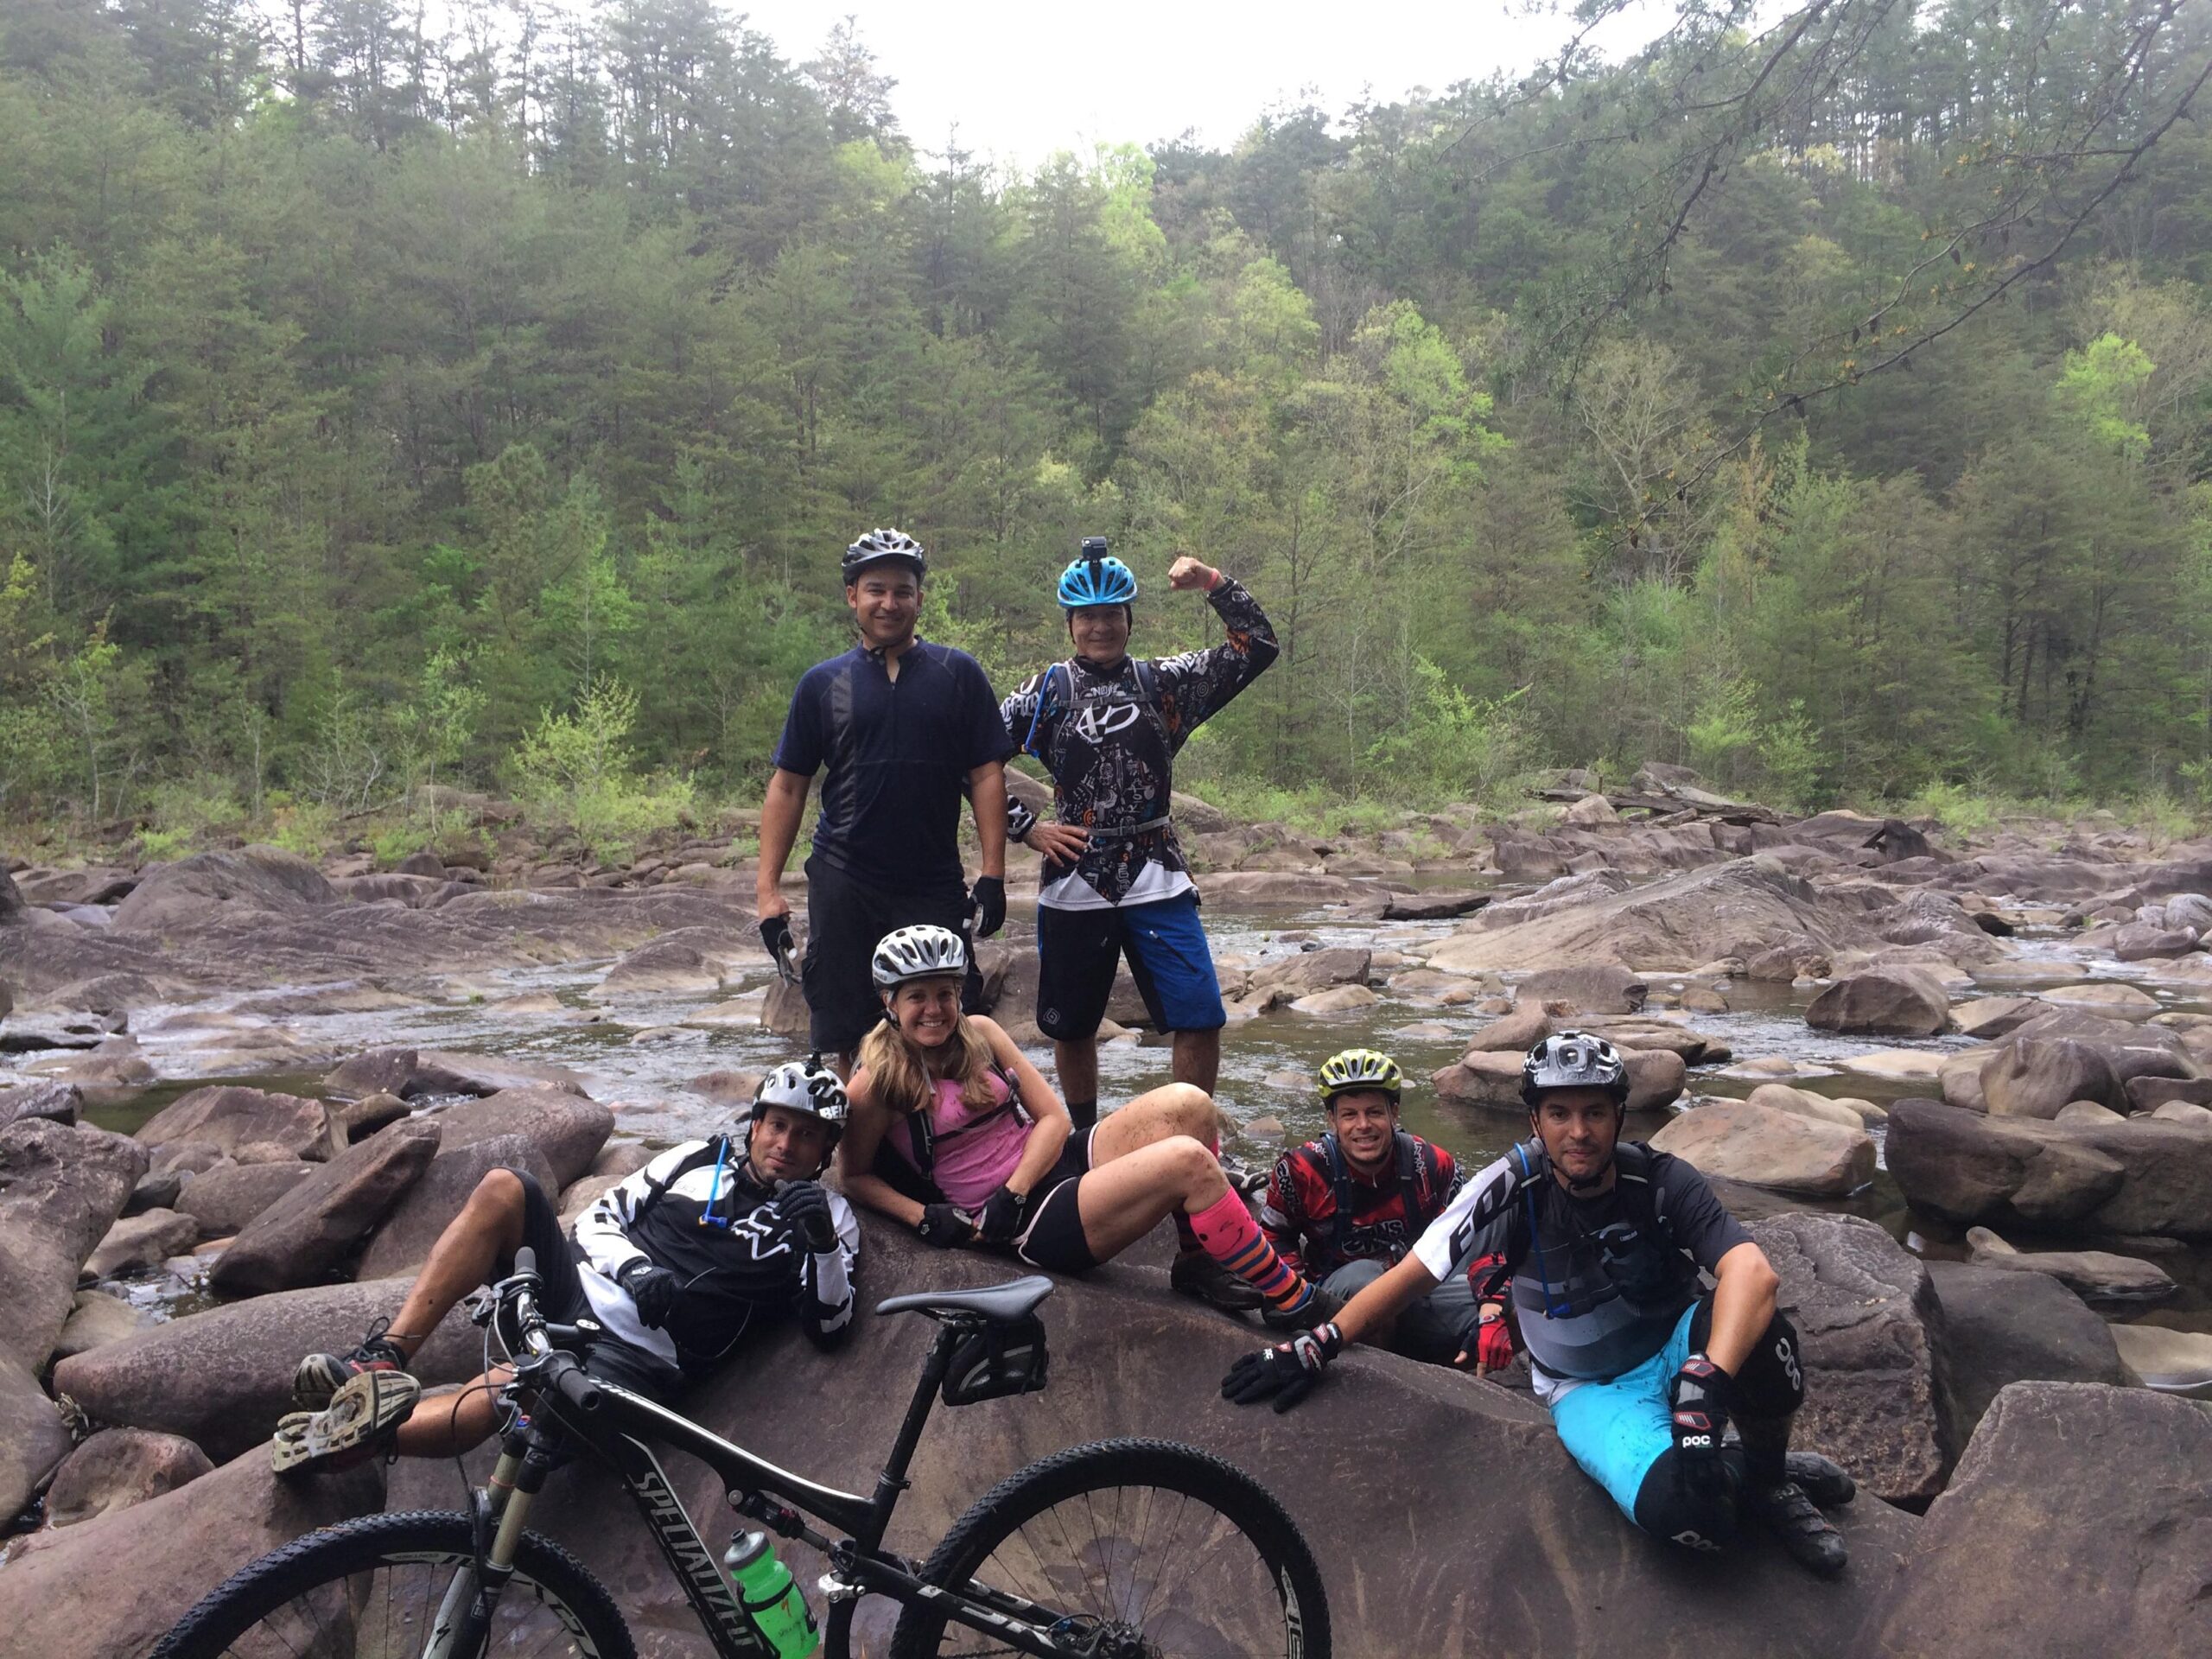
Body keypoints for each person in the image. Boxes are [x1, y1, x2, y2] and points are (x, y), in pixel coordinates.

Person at [1222, 1032, 1855, 1577]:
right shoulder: (1507, 1183)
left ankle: (1772, 1479)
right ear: (1534, 1121)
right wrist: (1317, 1345)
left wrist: (1707, 1375)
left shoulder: (1660, 1177)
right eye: (1559, 1113)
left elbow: (1750, 1270)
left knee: (1765, 1330)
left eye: (1594, 1113)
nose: (1578, 1132)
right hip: (1590, 1388)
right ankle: (1743, 1465)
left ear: (1619, 1116)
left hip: (1677, 1343)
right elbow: (1418, 1271)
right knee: (1694, 1522)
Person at [273, 1062, 861, 1472]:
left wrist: (820, 1243)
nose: (786, 1144)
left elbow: (831, 1329)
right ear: (755, 1124)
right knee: (507, 1187)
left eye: (806, 1136)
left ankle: (359, 1442)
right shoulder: (693, 1161)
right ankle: (388, 1354)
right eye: (778, 1125)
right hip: (576, 1290)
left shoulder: (831, 1217)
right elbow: (598, 1218)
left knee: (527, 1383)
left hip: (638, 1362)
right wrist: (634, 1270)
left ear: (825, 1150)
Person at [838, 924, 1336, 1320]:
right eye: (917, 997)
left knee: (1191, 1104)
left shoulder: (983, 1033)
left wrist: (1014, 1188)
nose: (934, 1010)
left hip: (1044, 1171)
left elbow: (1052, 1119)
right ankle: (1294, 1299)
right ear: (890, 1002)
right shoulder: (875, 1082)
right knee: (1187, 1161)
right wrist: (923, 1217)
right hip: (1026, 1225)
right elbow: (855, 1176)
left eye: (945, 995)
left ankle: (1195, 1260)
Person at [1000, 539, 1277, 1128]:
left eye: (1111, 616)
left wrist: (1215, 583)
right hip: (1075, 880)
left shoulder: (1165, 682)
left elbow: (1258, 648)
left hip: (1157, 871)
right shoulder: (1045, 692)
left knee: (1200, 1015)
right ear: (1071, 624)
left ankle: (1192, 1140)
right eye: (1087, 618)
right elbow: (967, 759)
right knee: (1072, 1025)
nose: (1100, 627)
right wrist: (1027, 828)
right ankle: (1083, 1138)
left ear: (1129, 619)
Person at [759, 528, 1014, 1063]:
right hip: (845, 878)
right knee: (844, 1032)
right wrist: (767, 892)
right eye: (876, 590)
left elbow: (987, 775)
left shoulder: (957, 674)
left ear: (920, 598)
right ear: (853, 595)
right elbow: (788, 786)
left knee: (942, 1025)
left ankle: (940, 1139)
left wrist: (993, 874)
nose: (889, 603)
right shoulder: (822, 684)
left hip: (931, 881)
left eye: (903, 591)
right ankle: (852, 1139)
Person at [1260, 1049, 1474, 1363]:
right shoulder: (1302, 1170)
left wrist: (1493, 1304)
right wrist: (1295, 1298)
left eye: (1374, 1112)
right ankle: (1381, 1373)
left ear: (1394, 1113)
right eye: (1349, 1115)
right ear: (1332, 1119)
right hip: (1336, 1295)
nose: (1363, 1125)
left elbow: (1475, 1235)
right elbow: (1276, 1236)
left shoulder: (1431, 1164)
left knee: (1511, 1298)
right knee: (1366, 1278)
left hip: (1413, 1288)